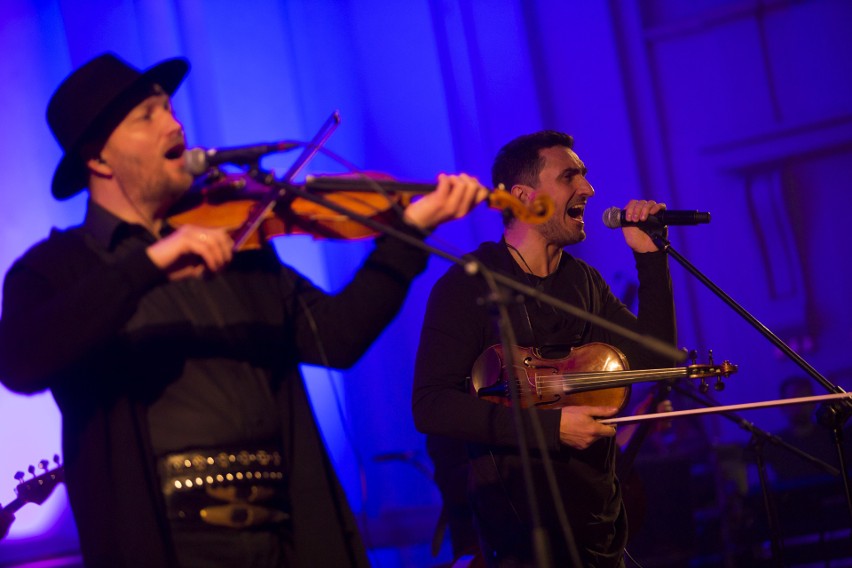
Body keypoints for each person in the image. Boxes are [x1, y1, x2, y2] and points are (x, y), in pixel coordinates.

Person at [0, 53, 485, 568]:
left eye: (170, 107)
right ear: (98, 159)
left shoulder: (237, 248)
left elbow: (339, 336)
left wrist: (408, 235)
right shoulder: (57, 268)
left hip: (284, 537)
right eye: (149, 114)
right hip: (170, 547)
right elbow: (22, 361)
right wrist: (146, 267)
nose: (176, 122)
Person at [413, 131, 677, 567]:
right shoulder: (469, 284)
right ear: (524, 197)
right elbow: (431, 406)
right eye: (570, 176)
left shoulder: (584, 282)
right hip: (520, 539)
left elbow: (657, 362)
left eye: (585, 177)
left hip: (598, 530)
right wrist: (550, 429)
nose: (589, 189)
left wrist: (650, 259)